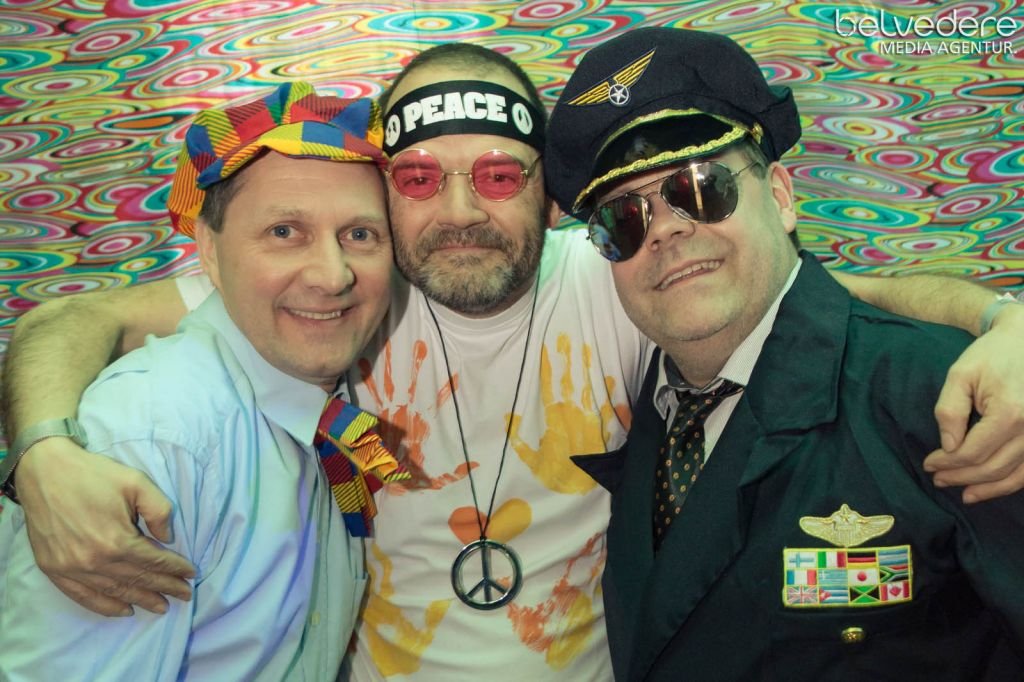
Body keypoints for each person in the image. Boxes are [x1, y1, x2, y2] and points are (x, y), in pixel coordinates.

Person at [2, 44, 1024, 680]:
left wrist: (1003, 320)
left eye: (498, 175)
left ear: (548, 195)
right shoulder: (339, 295)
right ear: (387, 195)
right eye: (419, 179)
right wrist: (43, 450)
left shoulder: (621, 272)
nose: (459, 212)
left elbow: (814, 297)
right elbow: (80, 318)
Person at [548, 27, 1024, 680]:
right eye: (623, 220)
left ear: (780, 196)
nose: (667, 229)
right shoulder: (644, 403)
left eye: (700, 187)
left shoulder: (947, 396)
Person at [0, 81, 406, 680]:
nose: (332, 274)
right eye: (284, 232)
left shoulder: (314, 388)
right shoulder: (152, 442)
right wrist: (42, 451)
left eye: (360, 234)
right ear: (209, 253)